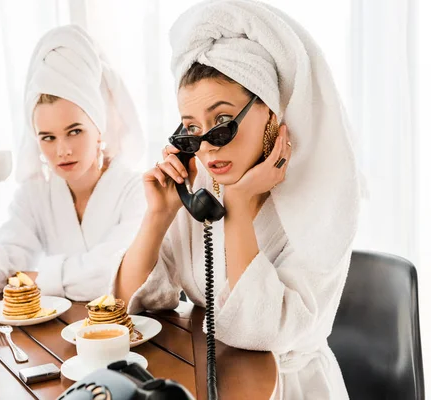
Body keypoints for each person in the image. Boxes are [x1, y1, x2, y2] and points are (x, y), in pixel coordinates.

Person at [113, 1, 360, 398]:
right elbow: (129, 304)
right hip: (214, 380)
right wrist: (158, 216)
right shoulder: (202, 193)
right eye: (192, 128)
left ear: (270, 111)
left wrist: (241, 205)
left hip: (291, 387)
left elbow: (261, 332)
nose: (207, 148)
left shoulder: (322, 206)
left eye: (223, 122)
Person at [0, 25, 146, 301]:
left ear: (99, 128)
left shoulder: (138, 190)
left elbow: (116, 274)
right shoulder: (37, 194)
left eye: (74, 131)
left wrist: (32, 279)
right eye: (48, 137)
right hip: (61, 338)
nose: (62, 150)